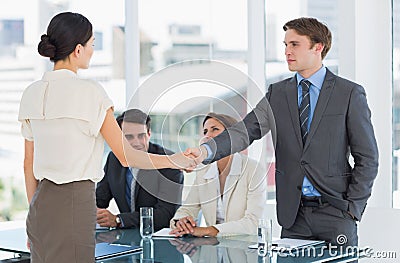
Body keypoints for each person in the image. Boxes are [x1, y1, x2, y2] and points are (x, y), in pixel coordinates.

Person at [18, 12, 195, 263]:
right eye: (91, 45)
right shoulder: (91, 92)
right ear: (78, 50)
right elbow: (125, 155)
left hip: (39, 208)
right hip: (74, 204)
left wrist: (33, 213)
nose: (93, 51)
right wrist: (174, 160)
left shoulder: (31, 93)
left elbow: (28, 164)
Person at [185, 17, 379, 247]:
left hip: (336, 214)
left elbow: (368, 158)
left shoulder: (349, 93)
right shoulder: (277, 93)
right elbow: (245, 131)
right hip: (293, 216)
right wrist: (205, 150)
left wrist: (352, 208)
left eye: (294, 44)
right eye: (285, 44)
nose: (287, 51)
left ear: (318, 47)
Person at [170, 113, 266, 237]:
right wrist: (181, 222)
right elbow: (187, 209)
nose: (207, 136)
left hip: (244, 248)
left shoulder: (253, 169)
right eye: (205, 132)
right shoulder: (203, 171)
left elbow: (253, 222)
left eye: (214, 129)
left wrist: (207, 231)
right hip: (213, 249)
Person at [96, 109, 184, 231]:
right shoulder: (114, 159)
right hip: (127, 237)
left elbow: (165, 215)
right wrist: (95, 211)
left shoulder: (168, 162)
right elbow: (100, 198)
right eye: (129, 137)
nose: (136, 143)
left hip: (160, 237)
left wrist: (118, 220)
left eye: (141, 136)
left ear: (149, 134)